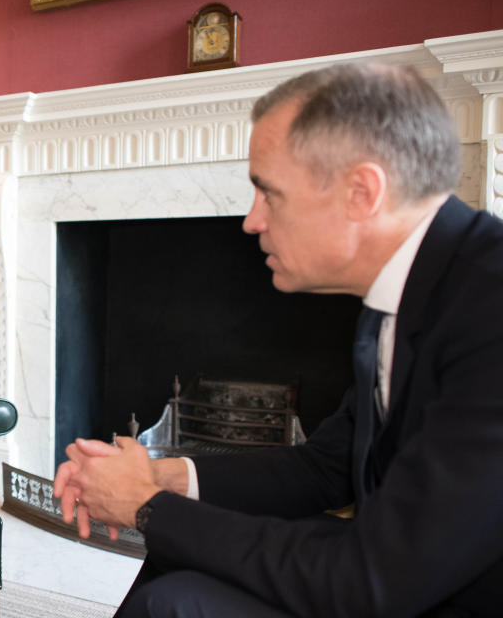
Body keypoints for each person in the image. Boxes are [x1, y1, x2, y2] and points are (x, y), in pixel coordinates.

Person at [53, 62, 503, 616]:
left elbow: (377, 580)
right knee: (178, 557)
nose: (251, 220)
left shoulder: (490, 307)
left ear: (362, 192)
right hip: (395, 572)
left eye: (269, 194)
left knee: (174, 603)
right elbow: (323, 470)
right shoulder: (398, 295)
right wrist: (159, 476)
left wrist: (147, 507)